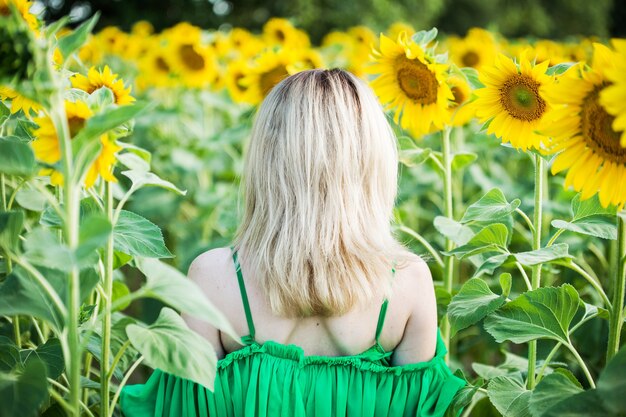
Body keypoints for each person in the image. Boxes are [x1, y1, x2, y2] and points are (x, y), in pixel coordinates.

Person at [120, 68, 466, 417]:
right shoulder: (408, 281)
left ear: (266, 158)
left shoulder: (212, 277)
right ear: (372, 161)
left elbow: (187, 411)